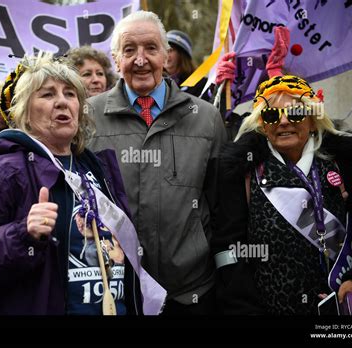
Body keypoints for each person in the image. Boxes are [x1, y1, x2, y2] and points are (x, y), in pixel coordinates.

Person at [0, 51, 165, 315]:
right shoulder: (0, 171)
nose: (62, 102)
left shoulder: (97, 169)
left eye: (70, 94)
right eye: (47, 94)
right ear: (24, 111)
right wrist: (23, 234)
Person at [87, 10, 227, 315]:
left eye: (151, 48)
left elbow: (222, 207)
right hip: (116, 289)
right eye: (129, 50)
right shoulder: (87, 117)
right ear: (115, 59)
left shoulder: (206, 118)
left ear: (166, 56)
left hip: (191, 292)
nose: (140, 59)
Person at [213, 74, 352, 315]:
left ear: (312, 118)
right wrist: (245, 307)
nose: (284, 121)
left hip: (338, 308)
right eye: (271, 115)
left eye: (296, 113)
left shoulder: (343, 163)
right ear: (261, 124)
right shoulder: (243, 172)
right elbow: (228, 249)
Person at [164, 29, 209, 99]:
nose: (166, 55)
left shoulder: (201, 84)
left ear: (182, 55)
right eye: (164, 50)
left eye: (170, 50)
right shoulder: (156, 82)